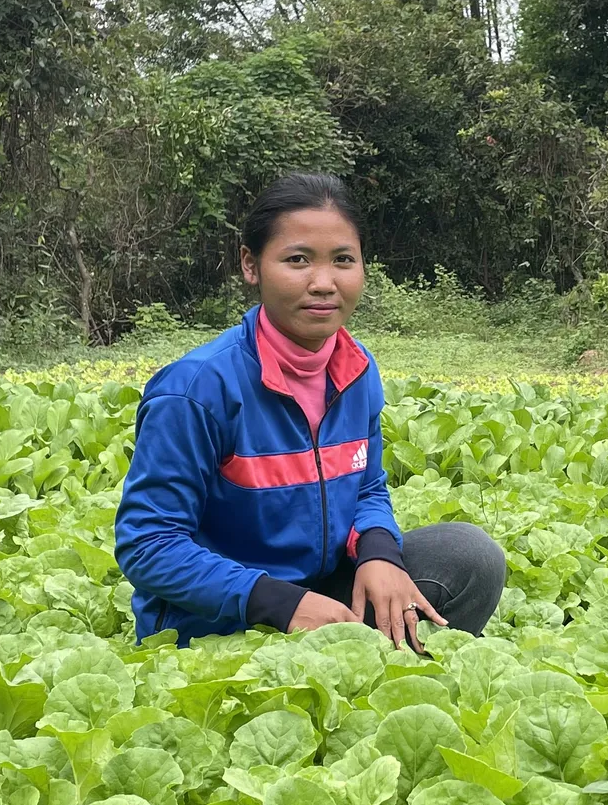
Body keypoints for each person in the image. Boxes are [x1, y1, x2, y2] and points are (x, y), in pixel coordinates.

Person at [114, 172, 506, 650]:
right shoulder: (196, 389)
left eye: (343, 260)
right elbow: (150, 544)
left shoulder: (356, 369)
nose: (323, 283)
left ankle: (377, 683)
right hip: (218, 620)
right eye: (297, 260)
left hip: (321, 596)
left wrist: (379, 554)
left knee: (470, 557)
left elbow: (367, 487)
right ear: (251, 265)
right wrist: (280, 603)